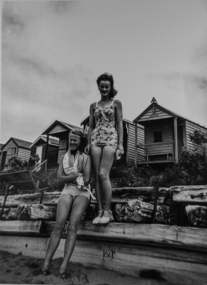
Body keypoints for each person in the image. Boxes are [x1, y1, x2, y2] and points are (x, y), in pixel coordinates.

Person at [41, 129, 91, 279]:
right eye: (71, 139)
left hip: (83, 192)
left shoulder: (86, 158)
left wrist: (69, 177)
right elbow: (59, 180)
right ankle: (46, 262)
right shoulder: (63, 157)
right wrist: (75, 176)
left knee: (73, 226)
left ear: (81, 142)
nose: (72, 142)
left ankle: (64, 265)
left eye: (75, 140)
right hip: (67, 190)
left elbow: (87, 179)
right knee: (59, 224)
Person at [85, 72, 124, 225]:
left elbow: (120, 123)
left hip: (110, 139)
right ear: (98, 87)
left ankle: (107, 211)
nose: (104, 89)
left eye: (107, 86)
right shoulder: (93, 106)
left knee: (103, 174)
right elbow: (91, 126)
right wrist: (88, 143)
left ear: (110, 87)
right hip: (96, 139)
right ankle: (99, 211)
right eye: (102, 86)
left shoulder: (116, 103)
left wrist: (120, 144)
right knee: (96, 175)